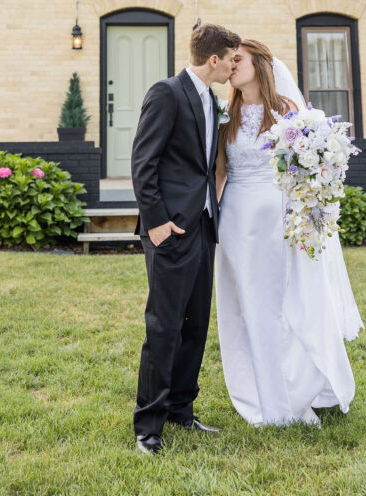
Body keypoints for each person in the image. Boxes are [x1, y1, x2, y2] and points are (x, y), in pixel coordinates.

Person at [215, 39, 363, 427]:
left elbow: (307, 172)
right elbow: (219, 171)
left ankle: (297, 385)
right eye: (229, 61)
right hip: (235, 221)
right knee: (245, 305)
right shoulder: (224, 115)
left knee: (282, 301)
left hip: (278, 221)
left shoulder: (288, 111)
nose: (231, 67)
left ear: (260, 64)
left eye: (238, 60)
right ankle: (257, 388)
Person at [131, 23, 241, 455]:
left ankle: (181, 409)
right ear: (213, 59)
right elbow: (143, 161)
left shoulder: (213, 101)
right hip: (170, 230)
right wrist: (156, 222)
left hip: (202, 226)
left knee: (195, 324)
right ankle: (148, 426)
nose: (235, 65)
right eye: (231, 58)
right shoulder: (166, 93)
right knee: (164, 326)